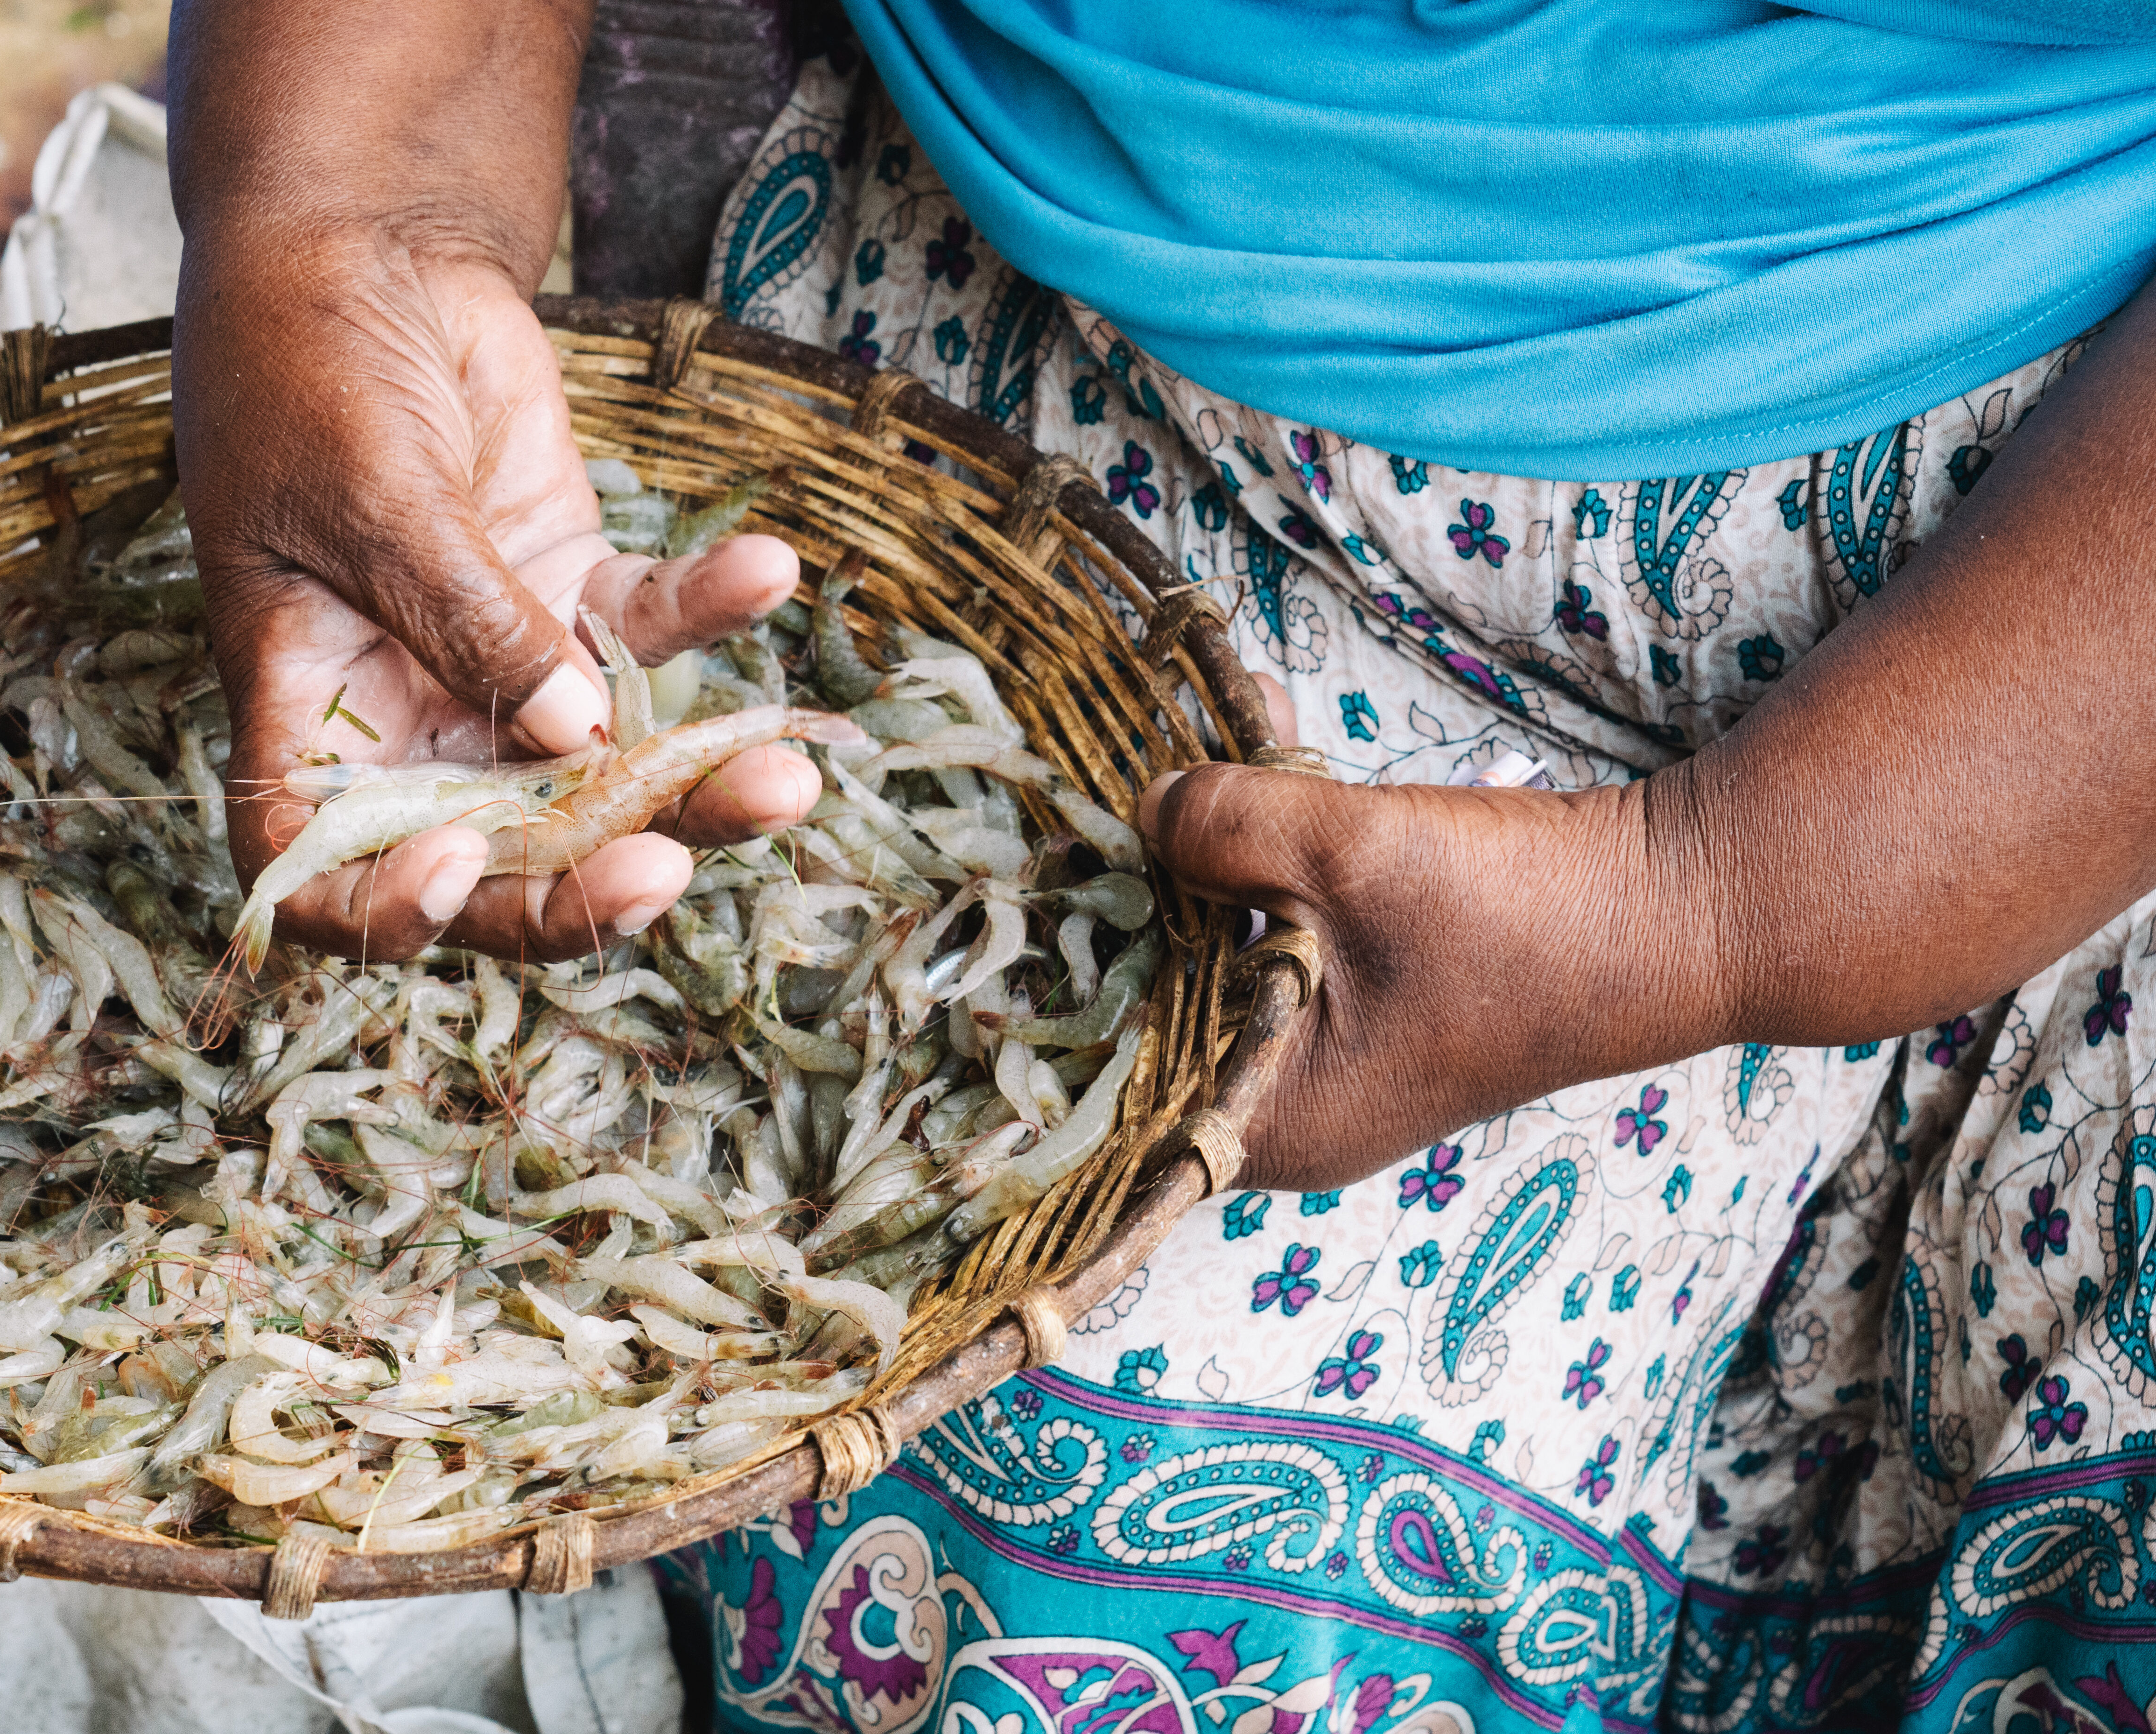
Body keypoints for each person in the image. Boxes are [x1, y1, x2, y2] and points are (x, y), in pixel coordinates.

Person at [165, 2, 2156, 1726]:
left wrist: (1731, 900)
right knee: (1060, 1514)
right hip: (1098, 409)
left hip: (2076, 592)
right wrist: (351, 198)